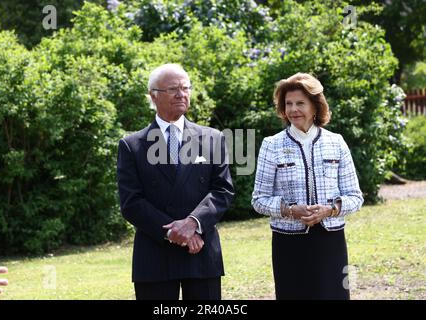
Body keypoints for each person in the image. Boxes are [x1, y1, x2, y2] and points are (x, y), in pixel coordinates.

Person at [116, 63, 234, 300]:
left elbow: (223, 190)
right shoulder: (132, 145)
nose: (181, 94)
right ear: (153, 96)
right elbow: (131, 202)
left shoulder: (212, 138)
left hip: (201, 250)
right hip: (155, 255)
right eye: (173, 89)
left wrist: (193, 223)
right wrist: (174, 232)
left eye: (185, 88)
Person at [252, 73, 364, 300]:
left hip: (330, 242)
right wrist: (290, 210)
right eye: (288, 104)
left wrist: (330, 210)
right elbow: (258, 199)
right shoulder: (271, 145)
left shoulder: (336, 142)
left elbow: (355, 196)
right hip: (288, 244)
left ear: (315, 106)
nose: (293, 109)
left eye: (300, 103)